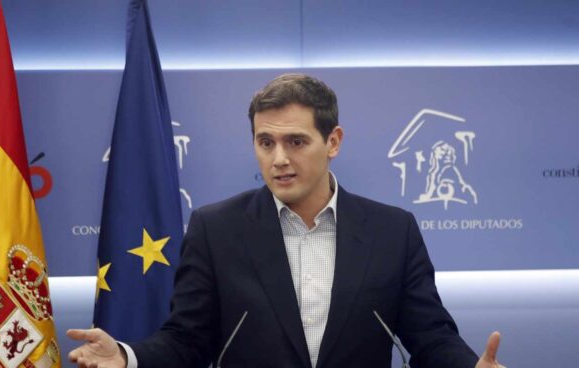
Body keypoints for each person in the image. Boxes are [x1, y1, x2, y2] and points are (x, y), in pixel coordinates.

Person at [68, 74, 505, 368]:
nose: (279, 159)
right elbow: (186, 340)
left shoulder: (394, 231)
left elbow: (429, 336)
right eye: (265, 142)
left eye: (296, 141)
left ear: (333, 141)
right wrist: (127, 357)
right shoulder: (215, 229)